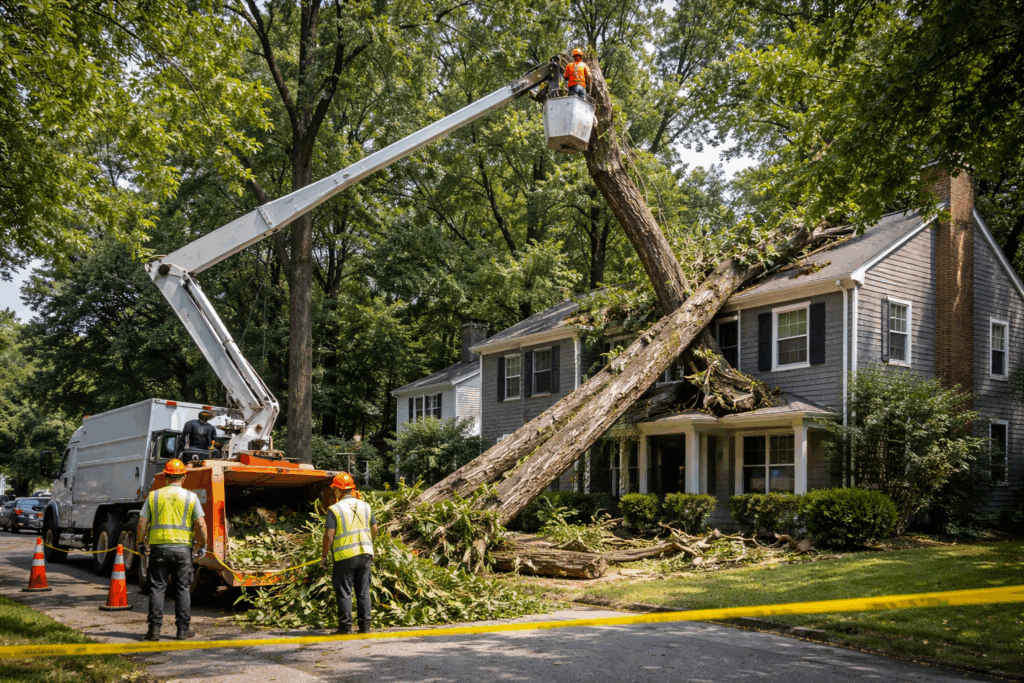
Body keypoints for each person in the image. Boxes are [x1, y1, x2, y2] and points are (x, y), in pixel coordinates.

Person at [137, 459, 207, 641]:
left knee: (157, 588)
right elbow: (201, 523)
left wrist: (140, 542)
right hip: (183, 550)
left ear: (167, 477)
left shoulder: (154, 496)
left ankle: (154, 630)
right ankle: (183, 630)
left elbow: (142, 522)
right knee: (182, 589)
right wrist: (203, 544)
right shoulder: (191, 497)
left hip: (159, 549)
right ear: (183, 477)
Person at [321, 472, 377, 635]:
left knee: (345, 591)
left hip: (345, 556)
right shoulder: (365, 506)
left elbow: (329, 534)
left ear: (338, 491)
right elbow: (375, 528)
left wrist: (324, 556)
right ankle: (365, 627)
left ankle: (345, 627)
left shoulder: (335, 509)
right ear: (352, 489)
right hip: (365, 554)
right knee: (363, 591)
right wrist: (370, 546)